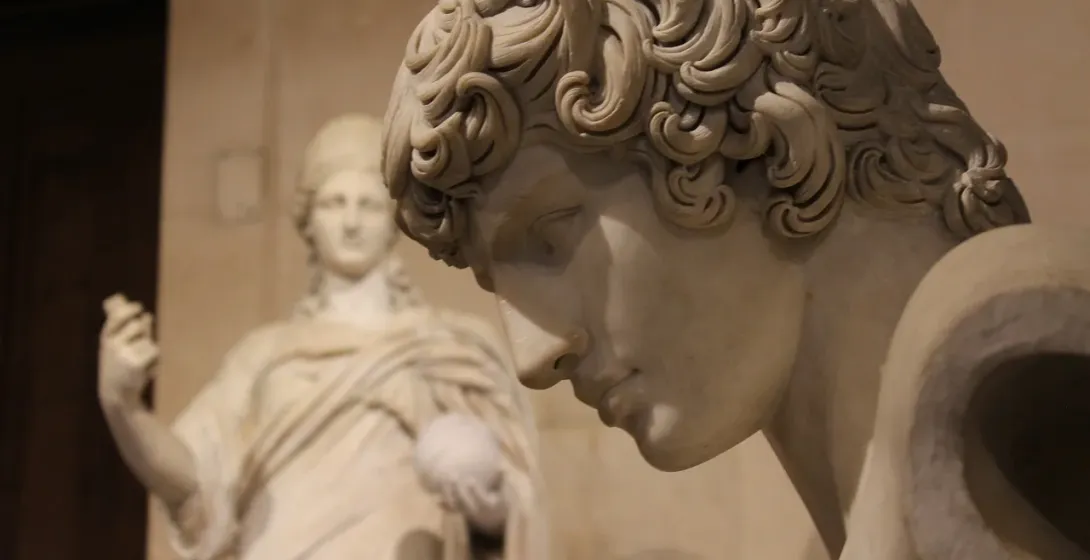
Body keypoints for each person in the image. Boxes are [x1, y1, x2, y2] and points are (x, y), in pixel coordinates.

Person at [381, 0, 1088, 558]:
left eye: (549, 236)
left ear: (752, 134)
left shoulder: (1006, 354)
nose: (532, 357)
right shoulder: (872, 515)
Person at [98, 114, 547, 560]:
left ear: (394, 222)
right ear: (308, 220)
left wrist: (488, 516)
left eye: (368, 204)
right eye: (334, 203)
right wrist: (124, 406)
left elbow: (516, 502)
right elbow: (193, 479)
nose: (351, 221)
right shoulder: (263, 356)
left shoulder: (457, 348)